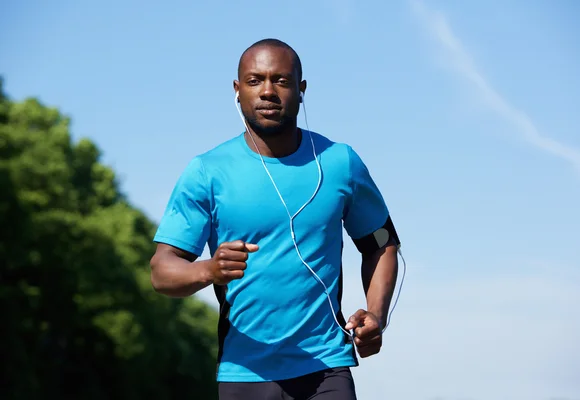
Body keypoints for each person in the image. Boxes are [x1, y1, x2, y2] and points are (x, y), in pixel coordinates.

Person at [149, 38, 400, 400]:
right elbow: (161, 270)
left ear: (301, 90)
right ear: (237, 91)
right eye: (255, 81)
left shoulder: (339, 162)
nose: (267, 91)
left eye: (281, 81)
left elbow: (382, 244)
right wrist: (209, 270)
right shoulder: (207, 171)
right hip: (244, 371)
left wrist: (376, 315)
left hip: (325, 365)